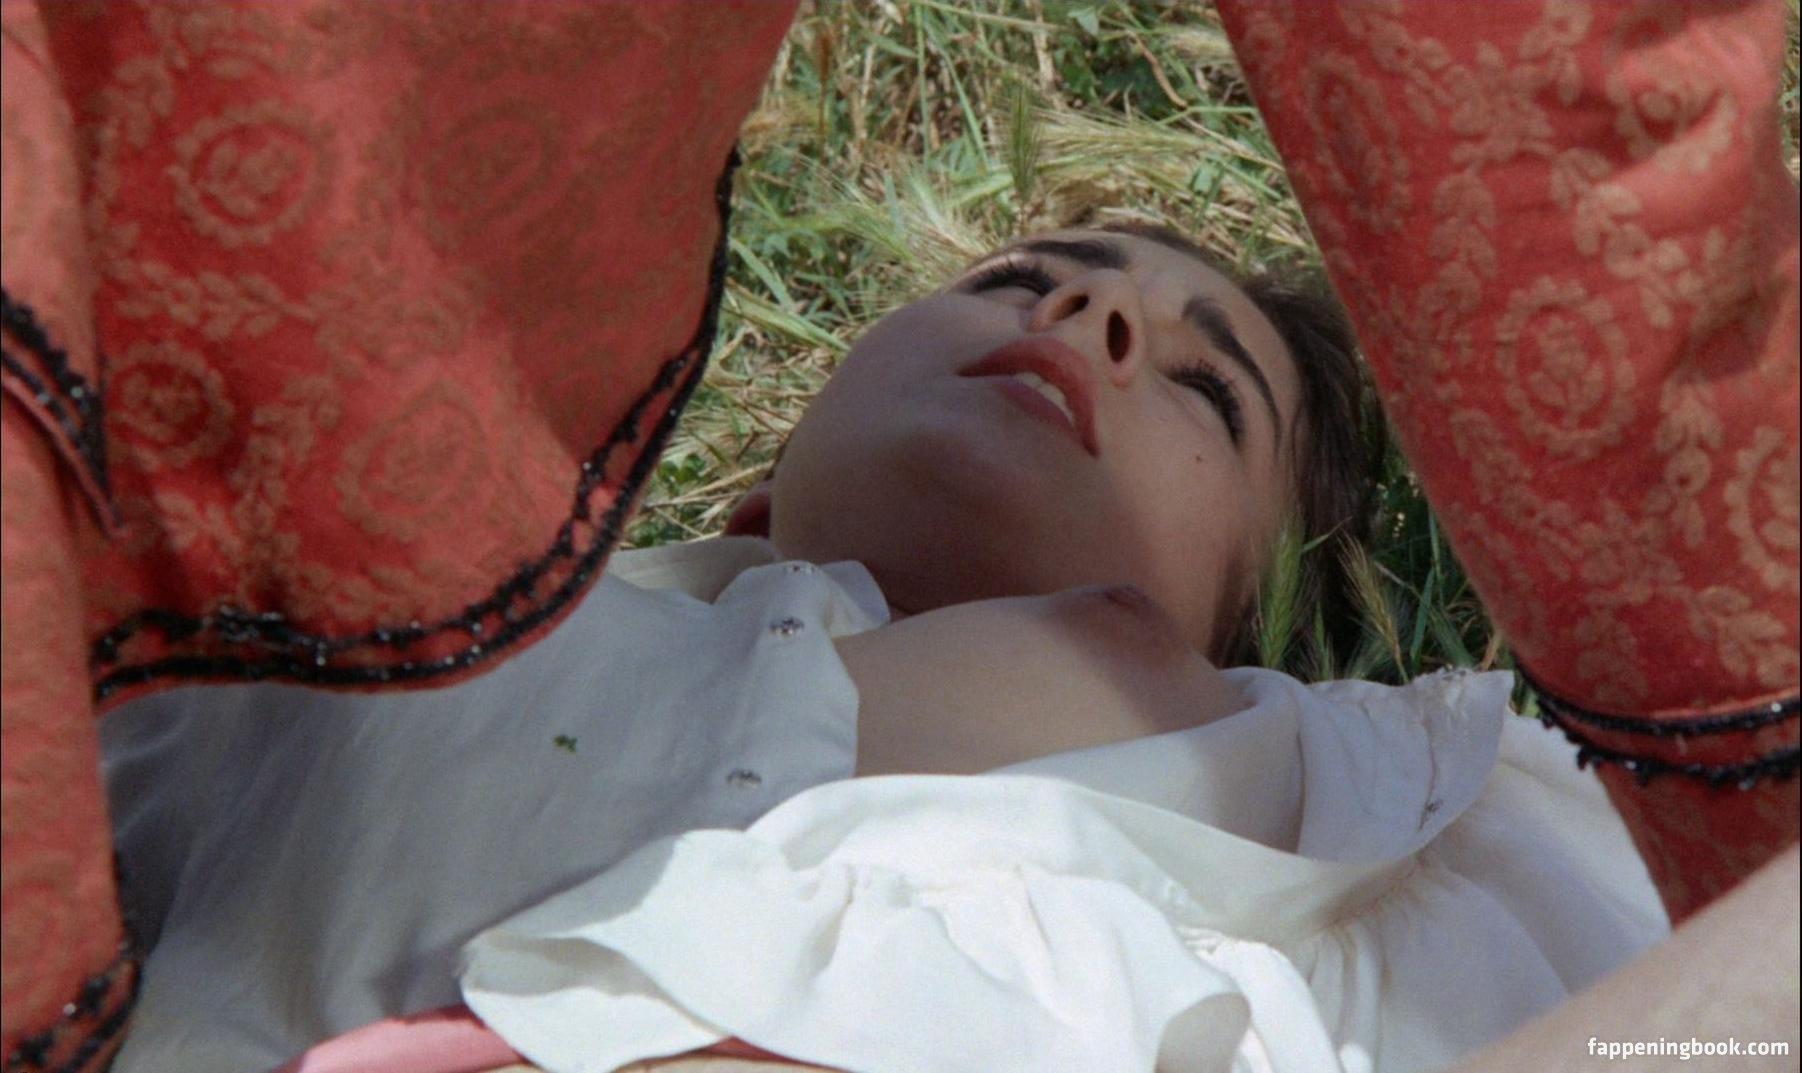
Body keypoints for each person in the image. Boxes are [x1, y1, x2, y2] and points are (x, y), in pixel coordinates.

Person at [99, 226, 1667, 1073]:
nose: (1092, 313)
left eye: (1207, 392)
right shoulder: (422, 618)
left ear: (1238, 637)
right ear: (769, 484)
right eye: (1019, 278)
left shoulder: (1371, 824)